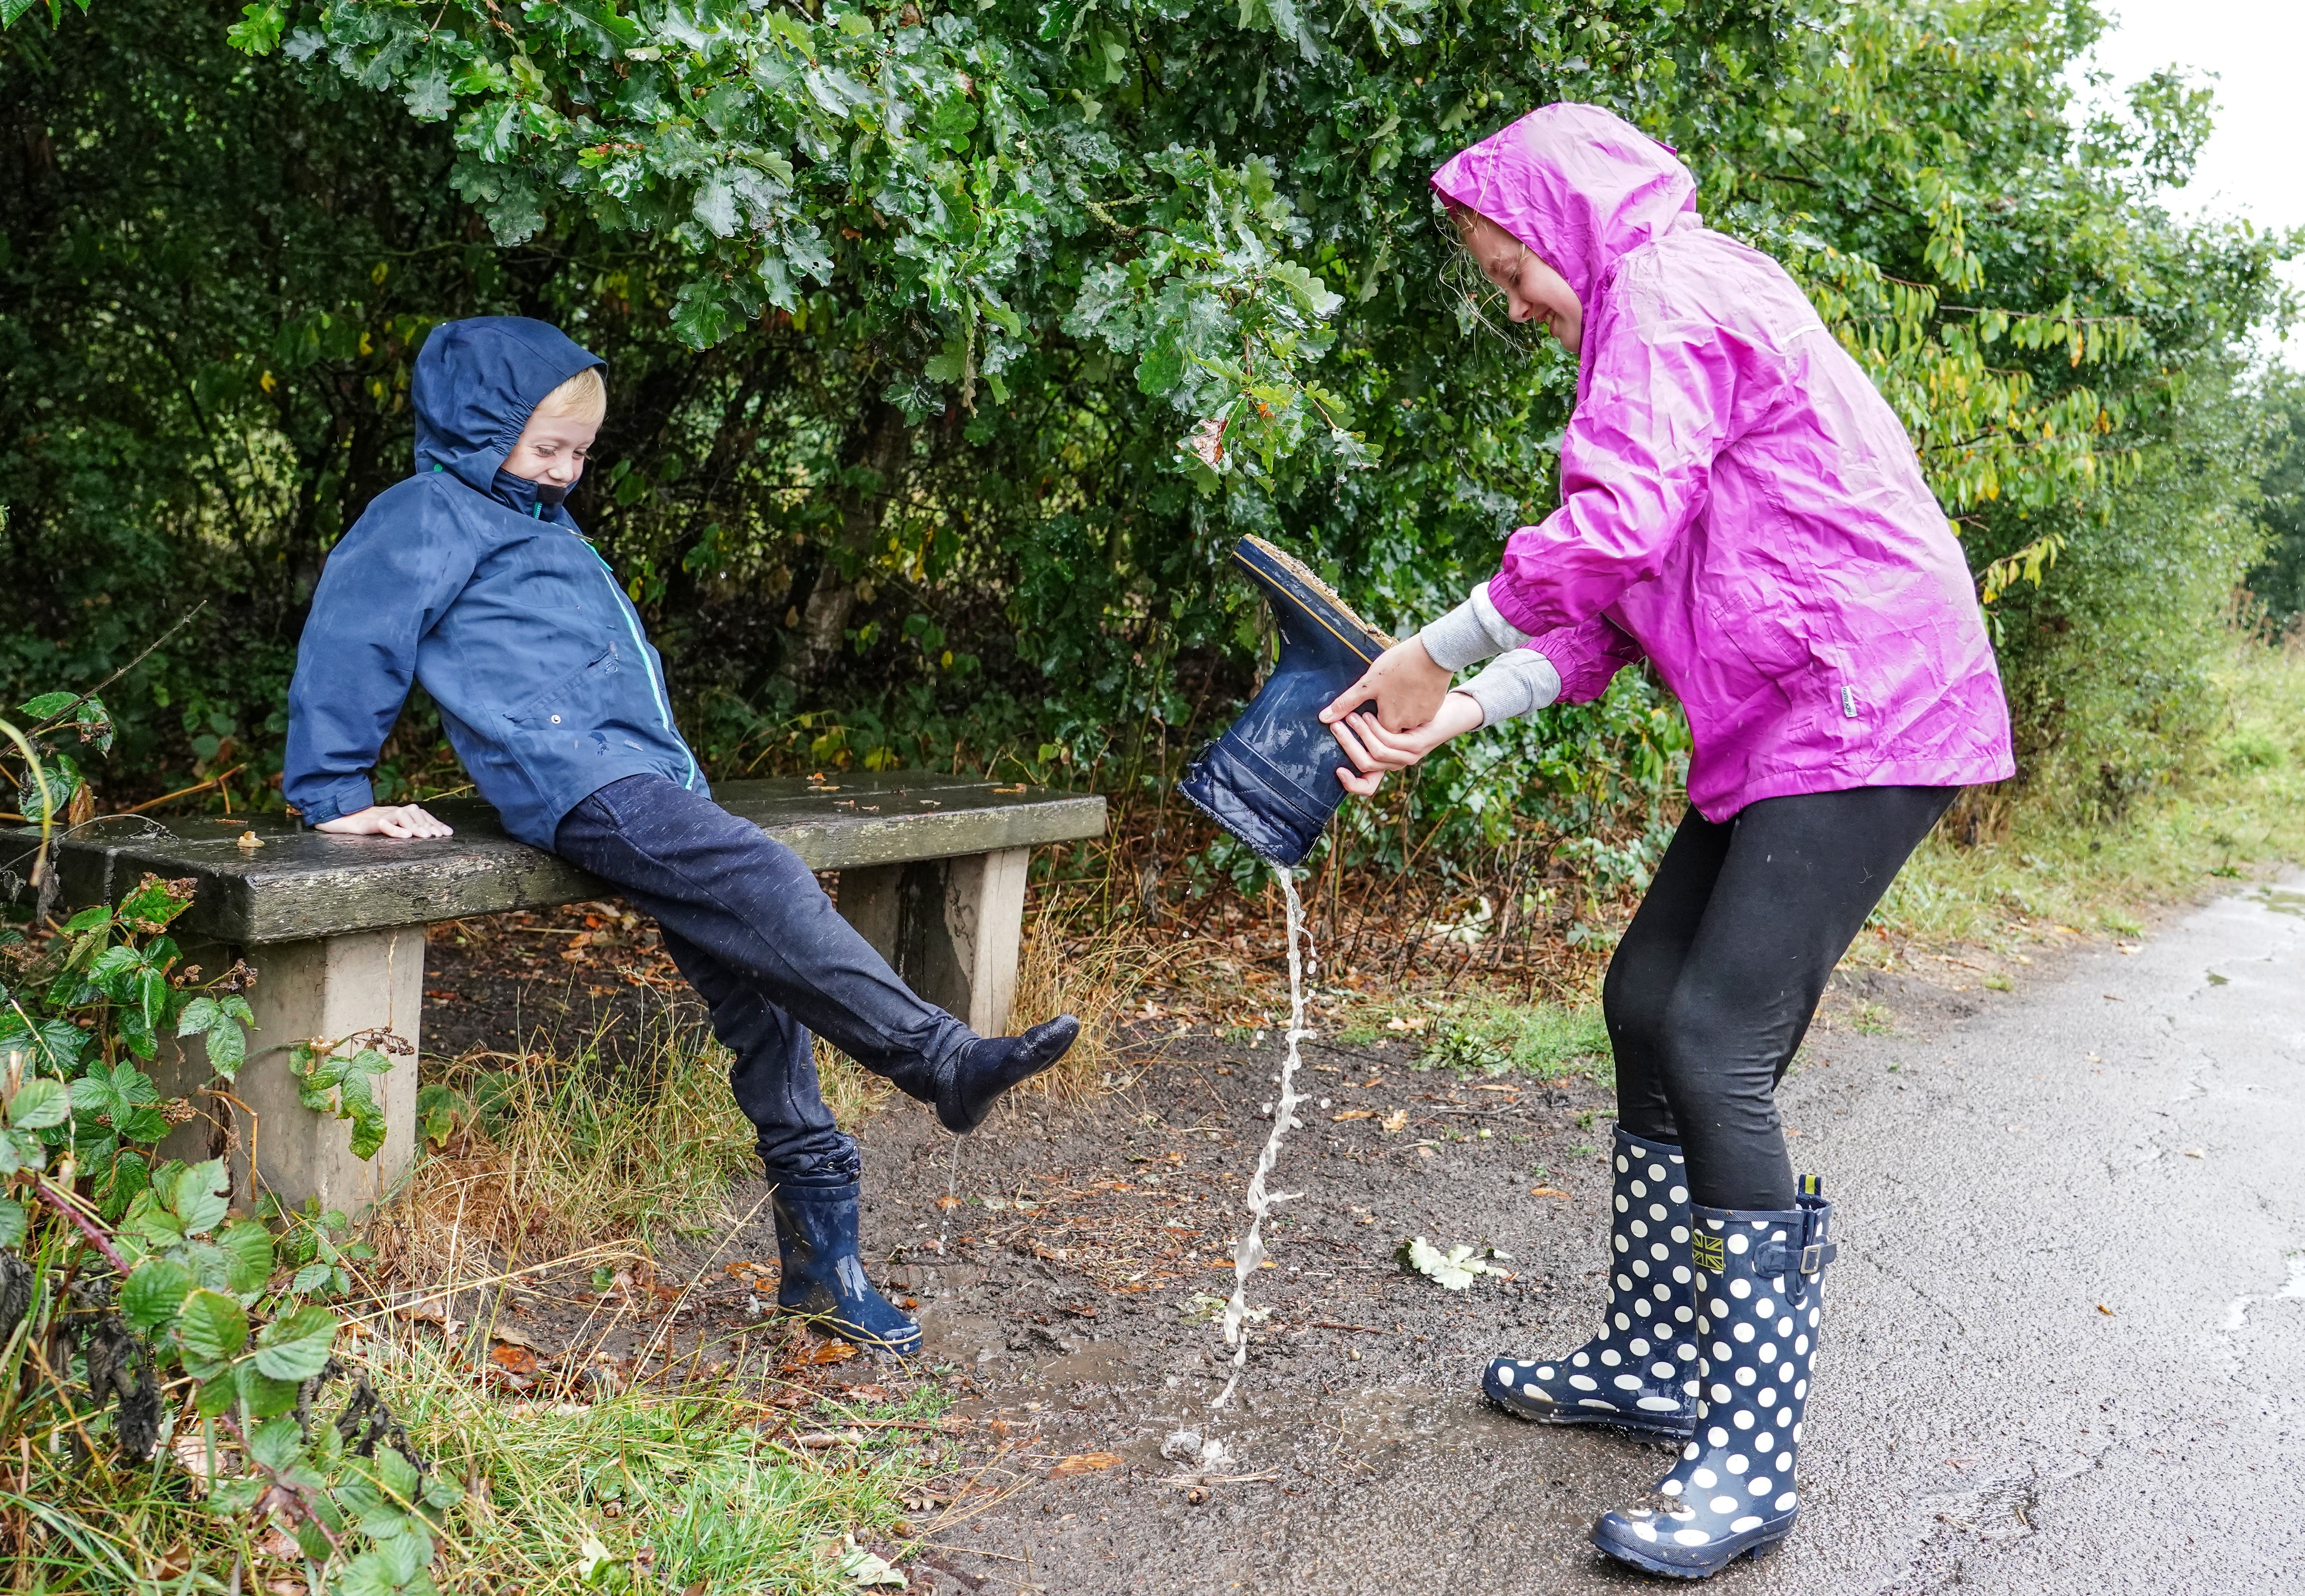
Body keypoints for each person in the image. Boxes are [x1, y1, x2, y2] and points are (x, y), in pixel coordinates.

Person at [1319, 104, 2014, 1579]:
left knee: (1713, 1035)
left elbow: (1616, 521)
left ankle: (1751, 1457)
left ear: (1563, 218)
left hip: (1869, 697)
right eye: (1490, 277)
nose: (1505, 298)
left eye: (1506, 265)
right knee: (1643, 1002)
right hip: (1782, 720)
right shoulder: (1642, 326)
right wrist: (1455, 708)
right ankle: (1647, 1360)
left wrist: (1438, 649)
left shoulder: (1671, 286)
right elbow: (1615, 603)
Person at [283, 316, 1079, 1355]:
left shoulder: (540, 522)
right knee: (766, 875)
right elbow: (353, 634)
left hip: (643, 782)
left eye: (579, 452)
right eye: (545, 448)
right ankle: (939, 1058)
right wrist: (334, 787)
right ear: (479, 429)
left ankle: (821, 1271)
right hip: (576, 784)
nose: (567, 471)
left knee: (761, 987)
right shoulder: (428, 513)